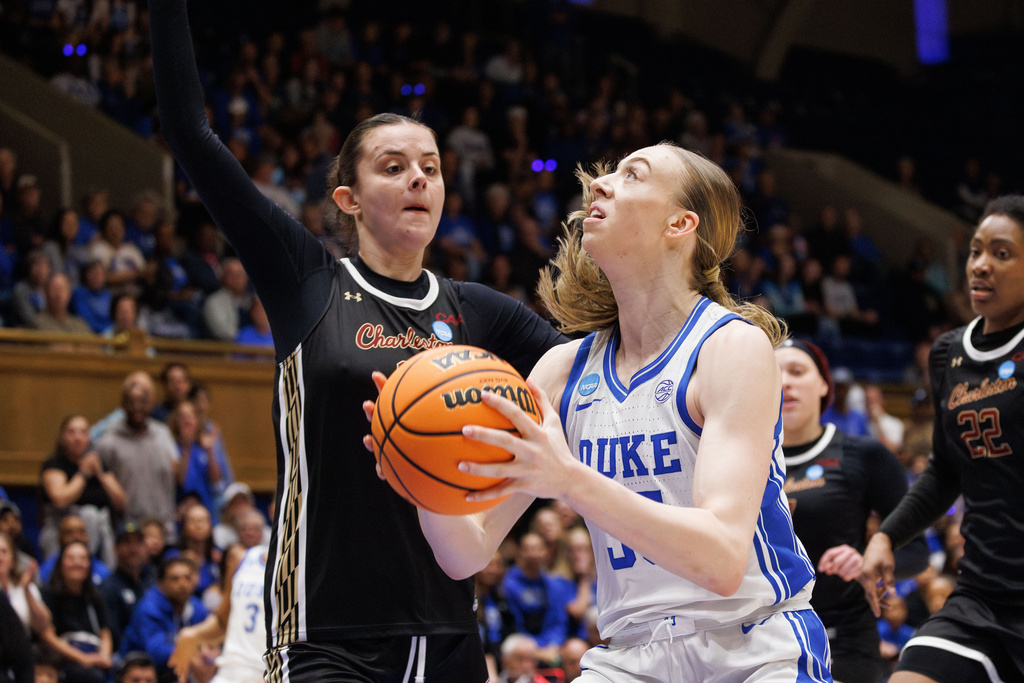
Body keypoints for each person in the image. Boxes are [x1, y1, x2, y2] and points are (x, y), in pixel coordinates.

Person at [149, 1, 566, 680]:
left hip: (450, 631)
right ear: (347, 197)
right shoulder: (305, 281)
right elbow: (190, 135)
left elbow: (588, 372)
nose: (419, 179)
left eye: (429, 167)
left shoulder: (479, 312)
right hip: (327, 631)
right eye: (394, 167)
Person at [384, 142, 833, 681]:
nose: (600, 184)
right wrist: (420, 473)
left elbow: (719, 560)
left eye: (632, 176)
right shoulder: (559, 372)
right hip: (631, 653)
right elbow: (467, 552)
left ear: (680, 224)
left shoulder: (731, 347)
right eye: (606, 176)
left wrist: (567, 479)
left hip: (753, 643)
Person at [858, 195, 1024, 683]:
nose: (981, 265)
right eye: (976, 251)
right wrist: (887, 535)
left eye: (1002, 253)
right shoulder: (949, 353)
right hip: (981, 597)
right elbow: (945, 471)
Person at [776, 339, 928, 683]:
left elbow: (916, 551)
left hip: (845, 641)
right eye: (773, 374)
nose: (785, 382)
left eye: (798, 372)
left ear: (823, 384)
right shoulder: (739, 461)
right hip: (763, 636)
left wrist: (866, 561)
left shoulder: (864, 455)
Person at [96, 372, 180, 542]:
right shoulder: (107, 441)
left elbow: (177, 475)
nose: (137, 408)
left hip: (163, 528)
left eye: (143, 401)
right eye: (131, 401)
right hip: (127, 530)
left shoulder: (163, 434)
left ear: (152, 403)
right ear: (123, 403)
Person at [168, 544, 268, 683]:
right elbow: (223, 622)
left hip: (268, 674)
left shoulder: (302, 566)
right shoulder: (244, 558)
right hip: (228, 672)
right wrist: (194, 635)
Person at [39, 414, 126, 566]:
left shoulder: (98, 463)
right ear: (62, 437)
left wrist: (100, 474)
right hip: (60, 530)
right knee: (89, 514)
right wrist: (83, 474)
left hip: (99, 536)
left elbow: (121, 502)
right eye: (71, 432)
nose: (77, 438)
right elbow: (60, 499)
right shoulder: (54, 464)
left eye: (83, 432)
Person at [119, 557, 209, 680]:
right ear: (161, 584)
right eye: (175, 579)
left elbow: (209, 641)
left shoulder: (198, 607)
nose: (182, 584)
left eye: (187, 578)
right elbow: (157, 653)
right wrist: (192, 655)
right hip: (142, 670)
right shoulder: (150, 608)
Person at [40, 541, 114, 683]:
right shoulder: (48, 594)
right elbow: (47, 635)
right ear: (61, 563)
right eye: (71, 558)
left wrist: (104, 657)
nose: (77, 563)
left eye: (82, 559)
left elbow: (105, 632)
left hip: (94, 653)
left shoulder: (95, 595)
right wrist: (83, 659)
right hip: (64, 659)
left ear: (89, 565)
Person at [99, 523, 154, 651]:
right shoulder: (108, 588)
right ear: (115, 548)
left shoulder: (154, 581)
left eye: (138, 543)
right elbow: (115, 635)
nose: (133, 549)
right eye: (127, 543)